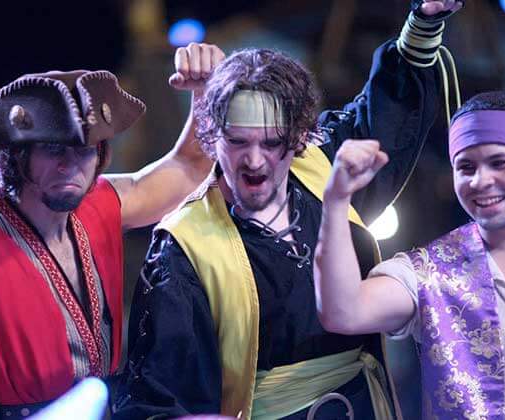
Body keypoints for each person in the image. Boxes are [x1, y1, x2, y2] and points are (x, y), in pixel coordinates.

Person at [114, 1, 463, 419]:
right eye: (238, 142)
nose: (255, 161)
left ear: (298, 137)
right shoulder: (182, 249)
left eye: (271, 142)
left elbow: (385, 108)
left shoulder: (322, 166)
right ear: (212, 138)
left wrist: (424, 20)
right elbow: (158, 396)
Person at [0, 43, 224, 419]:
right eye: (54, 149)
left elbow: (189, 167)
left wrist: (206, 90)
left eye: (86, 150)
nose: (71, 165)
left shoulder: (97, 204)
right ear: (18, 154)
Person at [314, 90, 505, 419]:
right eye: (465, 167)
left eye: (499, 163)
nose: (480, 180)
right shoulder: (434, 272)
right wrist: (337, 199)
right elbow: (343, 312)